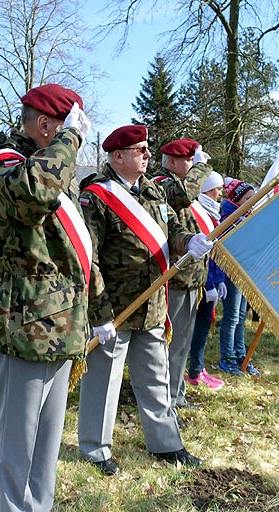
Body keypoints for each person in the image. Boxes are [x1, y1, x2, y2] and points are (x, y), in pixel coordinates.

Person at [0, 84, 93, 512]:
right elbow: (34, 192)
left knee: (47, 439)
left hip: (62, 326)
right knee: (17, 440)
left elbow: (75, 251)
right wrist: (69, 142)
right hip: (26, 325)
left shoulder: (55, 175)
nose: (76, 138)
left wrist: (97, 314)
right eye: (68, 128)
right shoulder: (5, 169)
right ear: (47, 125)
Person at [77, 125, 213, 472]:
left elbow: (170, 231)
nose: (148, 155)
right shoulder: (97, 195)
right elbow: (88, 257)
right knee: (104, 381)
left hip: (152, 305)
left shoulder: (152, 192)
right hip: (117, 308)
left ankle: (165, 444)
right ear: (118, 156)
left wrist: (188, 242)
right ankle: (96, 448)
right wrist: (99, 314)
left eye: (147, 149)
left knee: (156, 378)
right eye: (140, 150)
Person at [152, 138, 214, 423]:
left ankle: (177, 394)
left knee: (183, 343)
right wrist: (202, 169)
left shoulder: (180, 187)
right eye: (191, 161)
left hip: (191, 280)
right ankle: (166, 398)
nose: (194, 167)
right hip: (174, 280)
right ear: (174, 161)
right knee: (171, 344)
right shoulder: (163, 184)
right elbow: (185, 195)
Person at [187, 170, 227, 390]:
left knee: (202, 328)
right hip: (202, 282)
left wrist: (219, 279)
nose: (220, 193)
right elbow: (205, 256)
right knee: (199, 327)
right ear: (207, 190)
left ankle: (198, 367)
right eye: (217, 189)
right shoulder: (201, 213)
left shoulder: (213, 213)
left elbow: (217, 253)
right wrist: (210, 283)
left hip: (210, 281)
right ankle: (194, 371)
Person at [218, 178, 260, 376]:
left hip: (245, 274)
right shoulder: (228, 219)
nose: (253, 202)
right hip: (232, 273)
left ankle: (241, 354)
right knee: (232, 316)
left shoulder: (247, 218)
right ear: (237, 200)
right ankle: (227, 357)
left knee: (241, 317)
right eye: (248, 198)